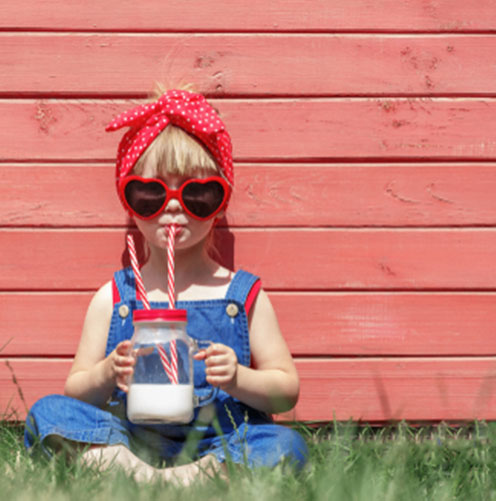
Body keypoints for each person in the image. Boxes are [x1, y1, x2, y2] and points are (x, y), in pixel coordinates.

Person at [24, 87, 308, 484]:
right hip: (129, 439)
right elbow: (76, 389)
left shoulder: (241, 297)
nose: (173, 206)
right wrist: (107, 373)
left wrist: (238, 379)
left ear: (220, 201)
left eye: (197, 194)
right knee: (49, 412)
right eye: (151, 193)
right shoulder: (115, 297)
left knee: (284, 445)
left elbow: (285, 391)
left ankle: (190, 474)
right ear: (129, 200)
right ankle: (132, 466)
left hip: (221, 440)